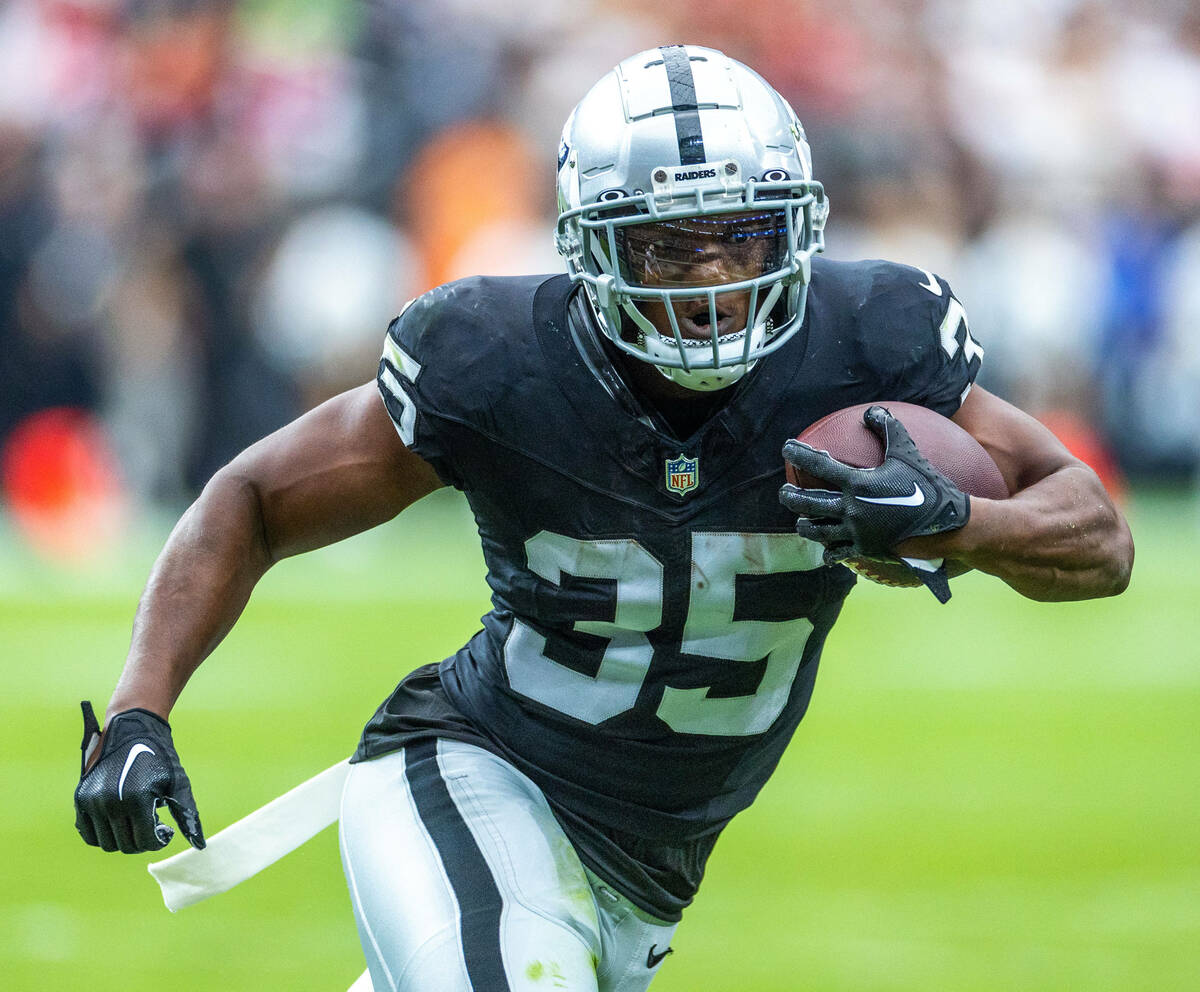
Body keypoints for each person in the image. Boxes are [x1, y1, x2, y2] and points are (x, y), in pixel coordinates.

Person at [74, 45, 1134, 991]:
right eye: (671, 246)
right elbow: (252, 499)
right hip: (472, 769)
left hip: (648, 872)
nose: (714, 277)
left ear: (798, 225)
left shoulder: (869, 341)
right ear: (593, 249)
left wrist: (959, 524)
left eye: (740, 234)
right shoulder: (498, 360)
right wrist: (137, 712)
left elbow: (1097, 534)